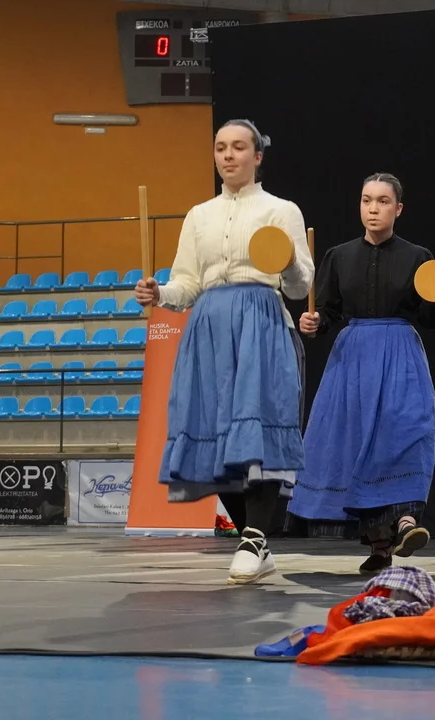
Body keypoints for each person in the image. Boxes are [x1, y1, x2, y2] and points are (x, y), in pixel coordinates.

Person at [134, 119, 313, 585]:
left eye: (238, 147)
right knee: (214, 430)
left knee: (259, 427)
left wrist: (288, 262)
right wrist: (159, 292)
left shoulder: (281, 210)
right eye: (220, 147)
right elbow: (187, 284)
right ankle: (254, 540)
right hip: (210, 326)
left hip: (261, 322)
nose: (228, 155)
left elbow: (300, 286)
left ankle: (254, 537)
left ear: (258, 156)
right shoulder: (199, 216)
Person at [291, 173, 435, 574]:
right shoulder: (339, 256)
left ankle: (407, 520)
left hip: (400, 352)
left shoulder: (418, 256)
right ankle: (381, 545)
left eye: (382, 201)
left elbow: (434, 316)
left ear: (398, 208)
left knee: (405, 431)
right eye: (366, 200)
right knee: (357, 441)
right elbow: (326, 311)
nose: (373, 209)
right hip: (354, 357)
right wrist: (313, 322)